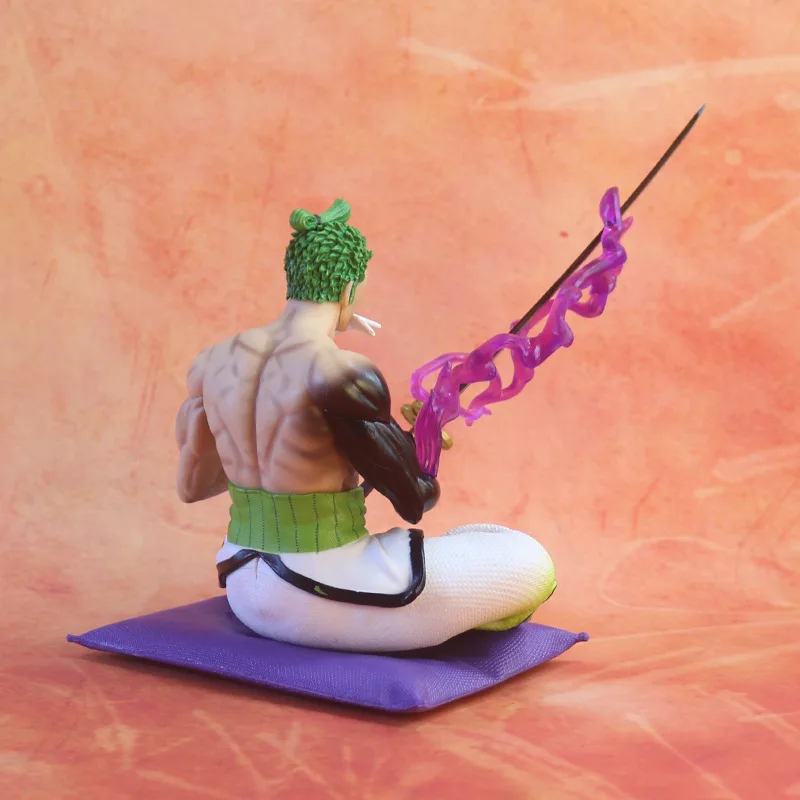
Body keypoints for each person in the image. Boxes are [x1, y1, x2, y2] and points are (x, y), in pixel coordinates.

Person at [175, 199, 556, 653]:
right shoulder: (341, 373)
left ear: (293, 277)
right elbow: (414, 500)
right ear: (349, 287)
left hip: (242, 582)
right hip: (318, 594)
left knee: (461, 549)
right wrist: (423, 445)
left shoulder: (210, 362)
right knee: (529, 561)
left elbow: (193, 486)